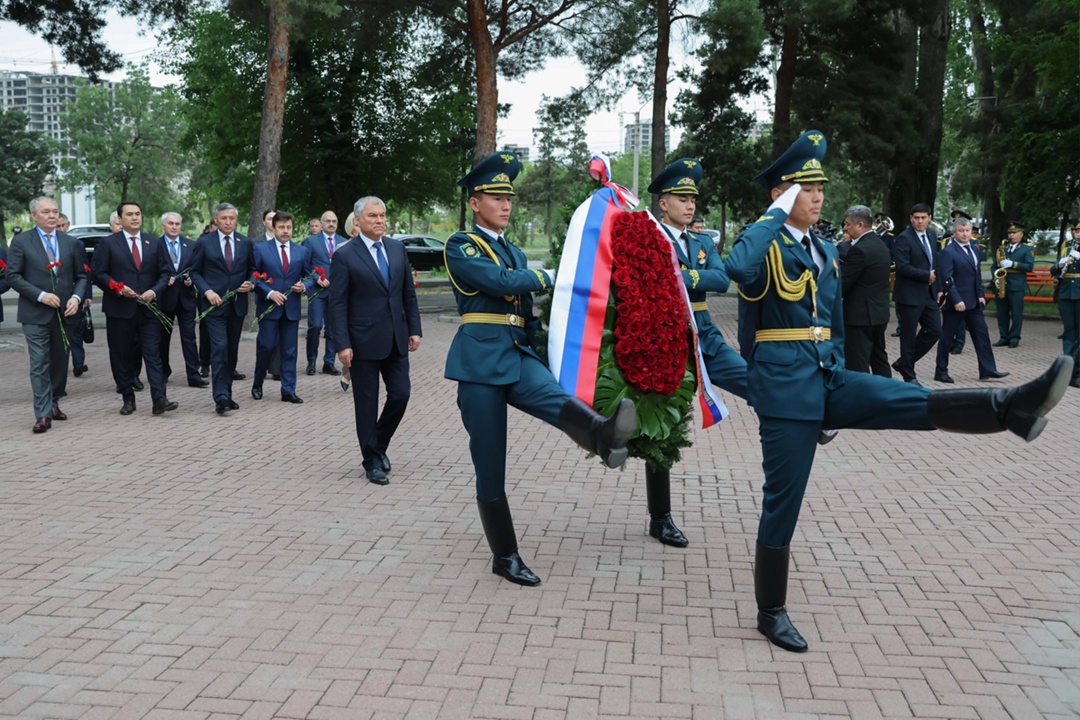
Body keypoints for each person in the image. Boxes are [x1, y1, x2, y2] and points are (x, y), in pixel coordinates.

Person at [723, 129, 1072, 654]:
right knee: (783, 504)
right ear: (780, 194)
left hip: (825, 376)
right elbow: (736, 269)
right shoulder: (765, 240)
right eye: (803, 188)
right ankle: (770, 612)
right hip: (783, 389)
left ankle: (1009, 408)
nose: (817, 197)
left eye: (819, 188)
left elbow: (833, 321)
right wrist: (774, 214)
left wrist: (836, 367)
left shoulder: (822, 248)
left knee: (904, 402)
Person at [443, 151, 637, 587]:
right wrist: (550, 275)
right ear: (475, 203)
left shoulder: (511, 249)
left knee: (555, 397)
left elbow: (526, 312)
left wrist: (547, 352)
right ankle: (505, 555)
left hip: (515, 353)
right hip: (478, 362)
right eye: (495, 196)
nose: (506, 204)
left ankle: (603, 436)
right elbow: (499, 284)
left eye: (509, 197)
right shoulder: (461, 245)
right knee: (490, 463)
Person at [645, 158, 748, 547]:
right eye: (682, 198)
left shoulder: (703, 242)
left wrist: (681, 275)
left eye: (693, 199)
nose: (690, 205)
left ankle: (803, 418)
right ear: (663, 203)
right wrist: (689, 278)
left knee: (747, 378)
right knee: (664, 429)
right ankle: (661, 517)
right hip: (665, 335)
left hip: (705, 332)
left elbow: (721, 279)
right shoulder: (650, 238)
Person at [328, 197, 420, 484]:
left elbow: (407, 294)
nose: (380, 220)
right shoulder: (345, 255)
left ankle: (377, 445)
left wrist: (414, 329)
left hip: (396, 339)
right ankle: (372, 462)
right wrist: (342, 344)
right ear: (358, 221)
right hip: (362, 342)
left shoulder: (396, 248)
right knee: (366, 405)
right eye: (373, 216)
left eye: (382, 215)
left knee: (401, 394)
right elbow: (337, 304)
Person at [5, 197, 89, 432]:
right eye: (46, 212)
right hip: (35, 313)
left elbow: (81, 276)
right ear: (34, 216)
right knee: (39, 363)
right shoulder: (21, 241)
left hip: (66, 312)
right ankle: (42, 414)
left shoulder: (70, 242)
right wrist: (40, 295)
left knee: (60, 363)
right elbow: (13, 276)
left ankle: (53, 402)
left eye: (55, 211)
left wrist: (76, 297)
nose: (52, 215)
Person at [92, 201, 177, 416]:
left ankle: (159, 398)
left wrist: (155, 291)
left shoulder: (155, 243)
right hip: (120, 309)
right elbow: (99, 274)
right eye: (129, 214)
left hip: (149, 309)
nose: (135, 218)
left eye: (138, 214)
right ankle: (128, 397)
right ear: (120, 219)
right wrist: (118, 289)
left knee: (153, 354)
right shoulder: (108, 244)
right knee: (122, 355)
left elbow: (165, 272)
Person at [190, 202, 255, 415]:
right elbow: (195, 272)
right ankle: (220, 397)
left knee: (232, 350)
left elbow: (253, 270)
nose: (228, 222)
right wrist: (207, 291)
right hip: (213, 306)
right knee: (220, 347)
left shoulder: (244, 242)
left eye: (232, 218)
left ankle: (227, 392)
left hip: (237, 305)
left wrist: (250, 282)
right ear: (216, 220)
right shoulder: (204, 243)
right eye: (224, 218)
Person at [932, 215, 1008, 383]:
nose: (965, 234)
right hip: (956, 304)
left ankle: (988, 369)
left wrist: (981, 295)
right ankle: (941, 370)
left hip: (974, 302)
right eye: (961, 231)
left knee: (982, 335)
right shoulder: (948, 252)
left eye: (967, 231)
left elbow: (976, 275)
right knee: (947, 337)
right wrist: (956, 299)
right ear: (954, 233)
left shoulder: (974, 249)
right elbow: (947, 279)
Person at [250, 211, 315, 403]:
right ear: (274, 227)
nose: (285, 231)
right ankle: (257, 383)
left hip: (291, 308)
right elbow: (254, 276)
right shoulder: (261, 249)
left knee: (290, 350)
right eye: (281, 227)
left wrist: (304, 286)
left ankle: (288, 390)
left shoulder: (301, 251)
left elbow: (311, 276)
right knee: (266, 346)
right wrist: (269, 293)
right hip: (269, 307)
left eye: (289, 228)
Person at [890, 203, 942, 385]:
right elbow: (902, 267)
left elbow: (935, 263)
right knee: (908, 335)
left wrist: (939, 288)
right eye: (916, 218)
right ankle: (909, 376)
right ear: (911, 218)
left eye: (923, 217)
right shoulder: (903, 238)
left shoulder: (932, 235)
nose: (920, 221)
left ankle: (904, 363)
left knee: (935, 330)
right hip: (909, 295)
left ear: (929, 218)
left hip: (928, 294)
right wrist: (925, 275)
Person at [839, 205, 892, 377]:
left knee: (857, 363)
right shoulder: (880, 244)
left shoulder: (859, 249)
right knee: (879, 359)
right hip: (879, 313)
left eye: (847, 224)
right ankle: (887, 396)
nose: (845, 228)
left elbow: (842, 283)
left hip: (859, 317)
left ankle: (860, 399)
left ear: (860, 225)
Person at [157, 212, 207, 388]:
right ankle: (162, 372)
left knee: (189, 337)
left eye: (177, 224)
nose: (174, 226)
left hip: (186, 298)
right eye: (170, 223)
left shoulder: (191, 245)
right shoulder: (156, 245)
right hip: (164, 298)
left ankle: (193, 375)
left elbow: (197, 269)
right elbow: (152, 269)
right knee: (162, 338)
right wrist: (162, 280)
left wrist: (190, 279)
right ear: (163, 225)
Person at [302, 210, 344, 376]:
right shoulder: (311, 242)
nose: (331, 224)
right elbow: (304, 266)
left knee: (333, 328)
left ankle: (329, 362)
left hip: (336, 292)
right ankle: (311, 361)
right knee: (315, 326)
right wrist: (316, 277)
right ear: (322, 222)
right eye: (328, 221)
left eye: (334, 221)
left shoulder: (343, 242)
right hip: (317, 291)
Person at [991, 221, 1034, 348]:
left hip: (1016, 285)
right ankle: (1003, 337)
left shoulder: (1027, 249)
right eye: (1010, 233)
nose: (1011, 235)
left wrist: (1013, 264)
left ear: (1021, 234)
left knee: (1016, 313)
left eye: (1014, 233)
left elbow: (1029, 266)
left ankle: (1014, 337)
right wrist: (995, 277)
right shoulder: (1002, 248)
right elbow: (994, 266)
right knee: (1002, 313)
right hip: (1002, 284)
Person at [1052, 220, 1080, 388]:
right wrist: (1059, 264)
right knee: (1069, 329)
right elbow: (1053, 270)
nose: (1077, 233)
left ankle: (1075, 367)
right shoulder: (1066, 246)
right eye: (1075, 231)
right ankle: (1067, 364)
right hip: (1066, 292)